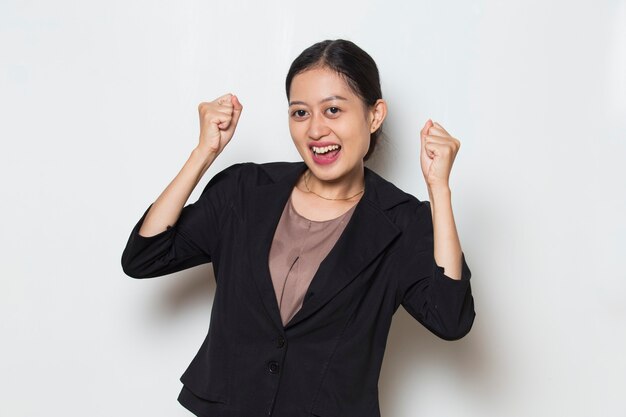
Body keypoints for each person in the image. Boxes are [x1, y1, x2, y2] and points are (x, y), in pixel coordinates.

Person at [121, 39, 475, 417]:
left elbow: (450, 318)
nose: (316, 130)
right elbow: (145, 257)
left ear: (375, 116)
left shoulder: (401, 220)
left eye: (333, 110)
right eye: (300, 113)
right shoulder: (245, 191)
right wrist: (203, 153)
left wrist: (439, 192)